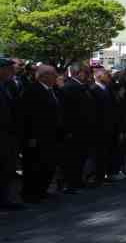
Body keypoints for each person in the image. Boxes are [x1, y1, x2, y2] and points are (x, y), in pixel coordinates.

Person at [21, 65, 62, 202]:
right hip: (38, 135)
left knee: (47, 164)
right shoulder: (32, 90)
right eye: (53, 74)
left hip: (50, 135)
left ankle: (41, 190)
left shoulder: (52, 90)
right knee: (34, 165)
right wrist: (31, 136)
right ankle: (31, 193)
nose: (56, 77)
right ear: (43, 76)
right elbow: (28, 115)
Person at [60, 62, 95, 191]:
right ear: (77, 72)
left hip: (85, 130)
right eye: (86, 72)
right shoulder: (70, 87)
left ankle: (78, 180)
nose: (88, 76)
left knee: (81, 157)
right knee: (72, 158)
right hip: (75, 130)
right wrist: (68, 130)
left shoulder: (83, 87)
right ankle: (71, 183)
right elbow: (66, 111)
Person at [0, 58, 23, 209]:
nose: (11, 71)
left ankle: (5, 199)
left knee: (7, 168)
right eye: (8, 69)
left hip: (8, 135)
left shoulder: (7, 86)